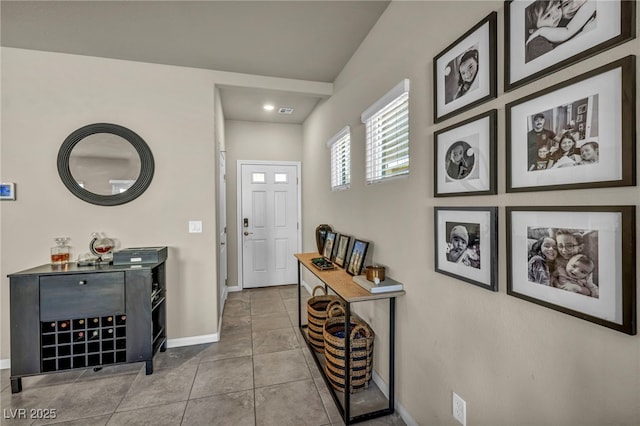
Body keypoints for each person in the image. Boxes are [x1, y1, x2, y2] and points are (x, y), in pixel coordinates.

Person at [527, 0, 596, 45]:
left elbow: (566, 32)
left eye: (558, 7)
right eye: (566, 4)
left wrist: (540, 31)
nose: (575, 5)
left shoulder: (591, 2)